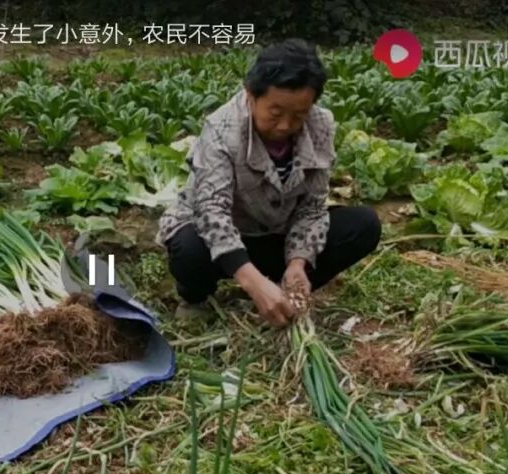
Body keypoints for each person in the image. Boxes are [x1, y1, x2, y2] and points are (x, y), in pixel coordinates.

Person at [156, 39, 381, 328]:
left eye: (298, 115)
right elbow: (212, 212)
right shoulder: (222, 128)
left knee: (363, 225)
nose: (285, 125)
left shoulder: (321, 125)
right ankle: (197, 297)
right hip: (222, 237)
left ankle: (285, 289)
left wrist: (298, 262)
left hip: (277, 233)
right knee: (188, 248)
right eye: (275, 113)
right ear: (251, 95)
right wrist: (252, 282)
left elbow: (312, 208)